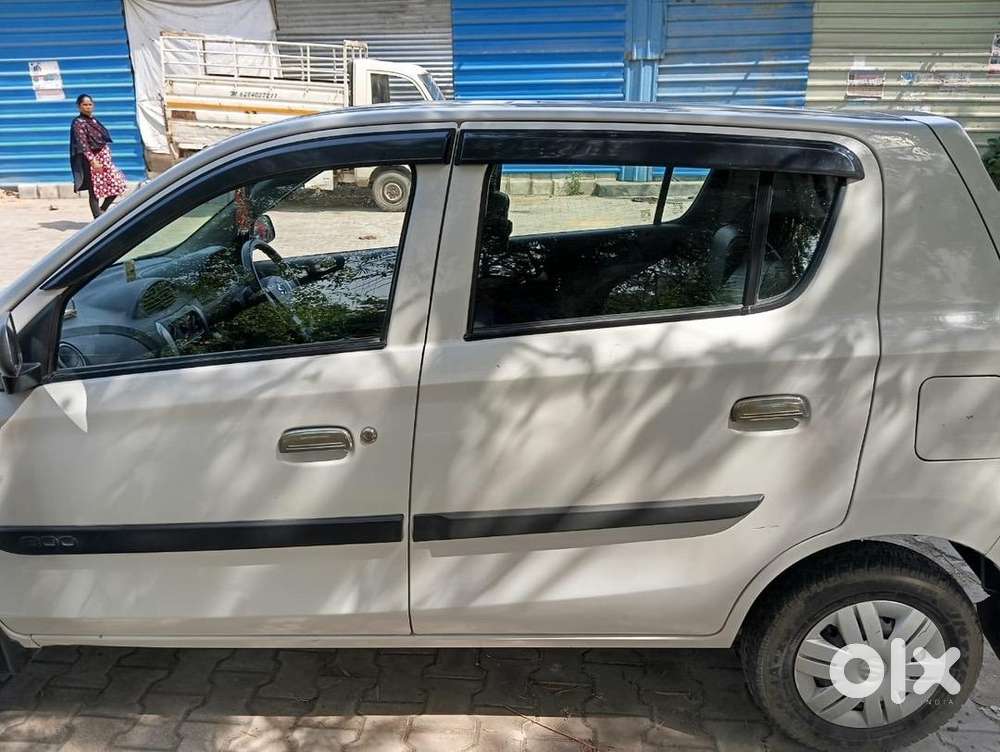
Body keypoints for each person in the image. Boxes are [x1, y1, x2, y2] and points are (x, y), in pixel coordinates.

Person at [70, 94, 127, 219]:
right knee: (94, 190)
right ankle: (98, 218)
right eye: (84, 105)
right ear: (79, 106)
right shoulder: (78, 123)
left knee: (118, 184)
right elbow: (82, 144)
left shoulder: (94, 121)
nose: (88, 107)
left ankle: (102, 211)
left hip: (104, 159)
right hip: (92, 161)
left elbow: (101, 138)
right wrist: (92, 160)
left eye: (90, 104)